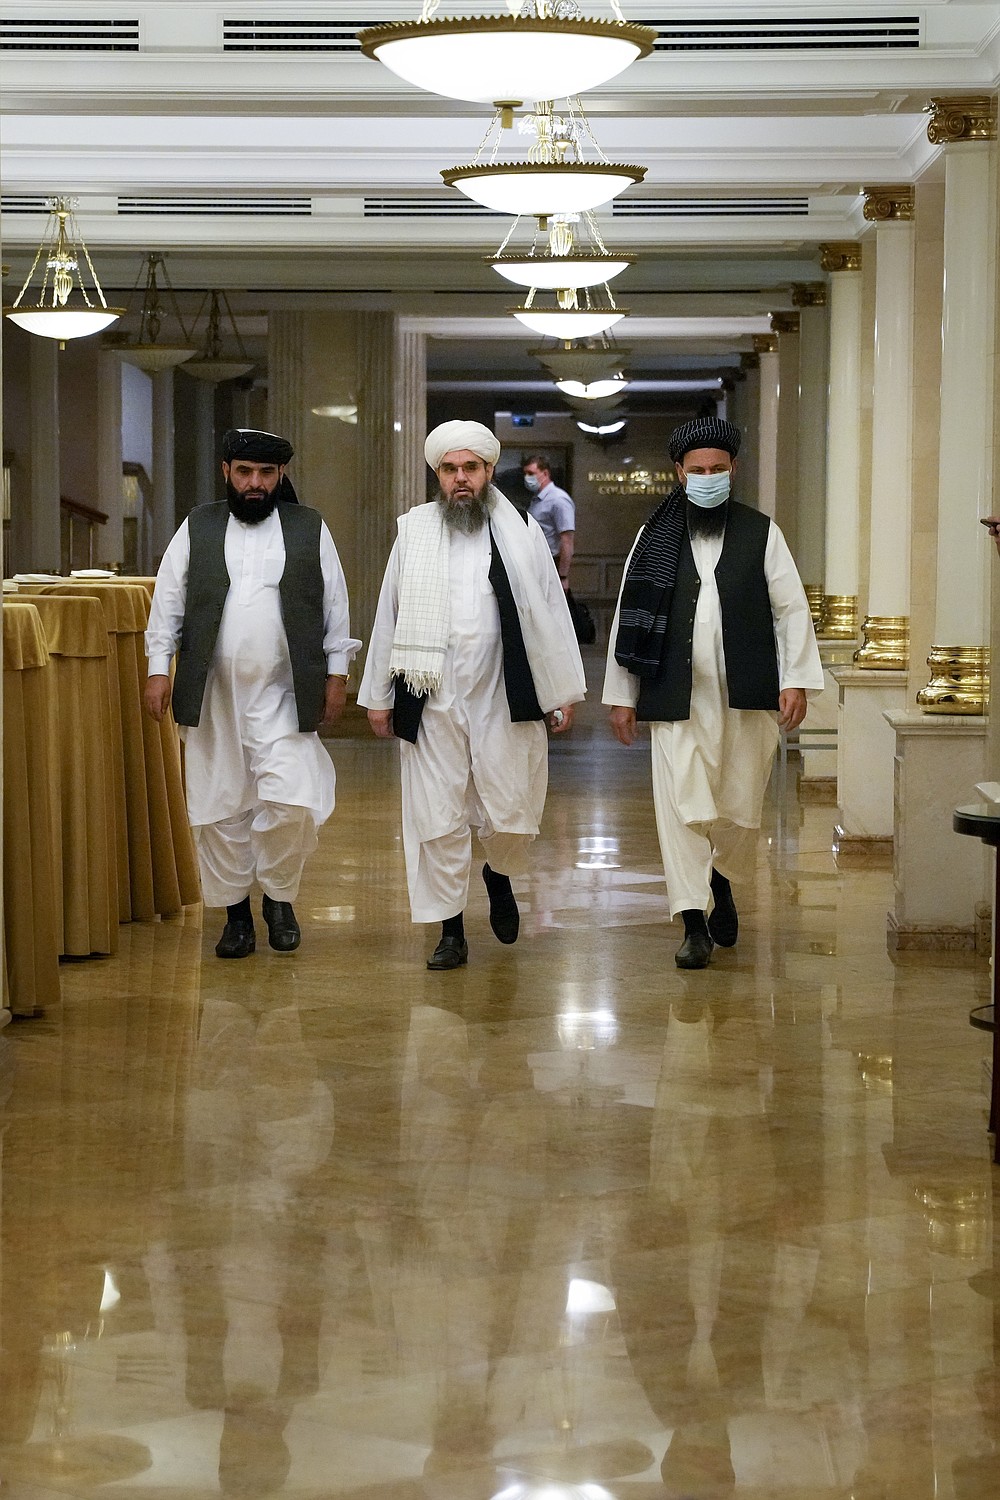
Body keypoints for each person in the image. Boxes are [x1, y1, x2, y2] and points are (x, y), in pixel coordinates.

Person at [358, 420, 586, 970]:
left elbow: (549, 612)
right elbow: (389, 612)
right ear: (437, 475)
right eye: (450, 470)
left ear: (488, 472)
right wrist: (377, 695)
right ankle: (450, 929)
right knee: (437, 817)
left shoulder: (522, 530)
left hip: (503, 694)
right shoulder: (413, 531)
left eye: (471, 469)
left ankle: (499, 873)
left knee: (512, 810)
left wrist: (562, 691)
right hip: (431, 695)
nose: (461, 480)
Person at [603, 415, 823, 970]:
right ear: (678, 473)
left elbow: (791, 610)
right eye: (697, 470)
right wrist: (621, 695)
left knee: (738, 807)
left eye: (717, 470)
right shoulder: (651, 538)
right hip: (675, 696)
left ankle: (722, 881)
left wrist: (794, 679)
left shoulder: (761, 532)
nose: (707, 478)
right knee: (681, 806)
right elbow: (629, 619)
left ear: (733, 471)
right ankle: (692, 920)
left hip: (747, 697)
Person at [144, 427, 360, 959]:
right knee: (219, 809)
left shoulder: (309, 527)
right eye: (245, 473)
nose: (255, 483)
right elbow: (168, 600)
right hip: (212, 694)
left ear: (280, 475)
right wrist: (157, 668)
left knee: (291, 799)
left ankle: (279, 898)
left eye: (266, 473)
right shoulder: (199, 525)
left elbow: (336, 604)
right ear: (226, 473)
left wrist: (337, 675)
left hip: (285, 692)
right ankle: (236, 915)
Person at [522, 452, 576, 592]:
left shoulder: (558, 500)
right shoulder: (537, 500)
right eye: (525, 473)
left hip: (552, 563)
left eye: (531, 473)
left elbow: (567, 540)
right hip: (537, 564)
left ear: (545, 473)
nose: (527, 478)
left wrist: (563, 576)